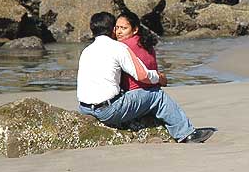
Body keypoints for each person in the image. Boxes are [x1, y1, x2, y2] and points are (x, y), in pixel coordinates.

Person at [77, 12, 214, 143]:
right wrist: (159, 78)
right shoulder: (118, 47)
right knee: (158, 96)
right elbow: (142, 75)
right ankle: (186, 133)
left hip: (84, 108)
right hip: (108, 111)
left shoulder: (86, 51)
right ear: (113, 29)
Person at [115, 11, 159, 92]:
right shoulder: (146, 42)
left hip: (133, 91)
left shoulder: (122, 46)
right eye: (117, 28)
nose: (119, 32)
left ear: (135, 30)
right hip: (154, 88)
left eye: (124, 28)